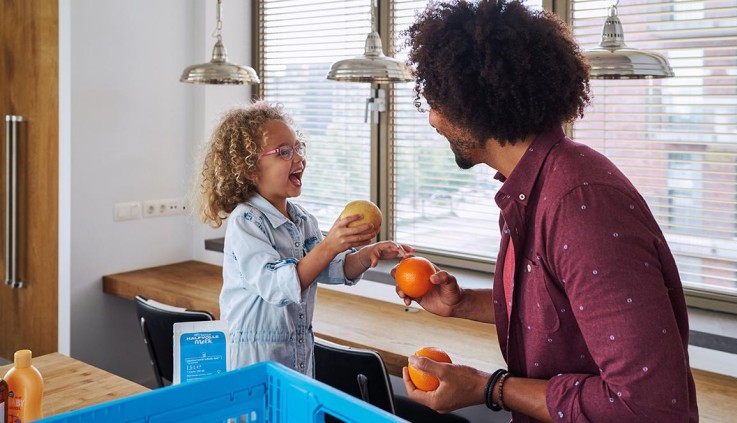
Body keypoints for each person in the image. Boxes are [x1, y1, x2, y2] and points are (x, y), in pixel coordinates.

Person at [396, 1, 699, 422]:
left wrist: (491, 388)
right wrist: (462, 303)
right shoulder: (533, 187)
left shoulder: (581, 204)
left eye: (434, 101)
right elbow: (557, 311)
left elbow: (646, 408)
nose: (431, 120)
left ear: (470, 104)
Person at [196, 101, 412, 376]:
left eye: (298, 147)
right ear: (250, 169)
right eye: (284, 152)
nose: (298, 158)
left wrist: (366, 254)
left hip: (297, 353)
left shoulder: (302, 219)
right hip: (253, 362)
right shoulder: (246, 222)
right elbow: (277, 286)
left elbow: (331, 268)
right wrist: (330, 244)